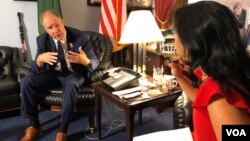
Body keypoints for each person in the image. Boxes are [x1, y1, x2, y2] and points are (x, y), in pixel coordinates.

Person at [167, 1, 250, 141]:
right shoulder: (220, 73)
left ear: (193, 39)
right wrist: (179, 76)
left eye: (176, 32)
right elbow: (202, 99)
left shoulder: (219, 93)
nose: (174, 37)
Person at [20, 10, 99, 141]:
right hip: (53, 74)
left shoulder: (79, 36)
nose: (55, 30)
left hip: (75, 73)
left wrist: (86, 61)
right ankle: (34, 126)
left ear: (62, 22)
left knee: (71, 83)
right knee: (26, 82)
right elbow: (35, 70)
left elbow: (95, 61)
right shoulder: (42, 40)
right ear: (45, 29)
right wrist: (39, 59)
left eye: (57, 25)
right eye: (50, 28)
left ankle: (62, 130)